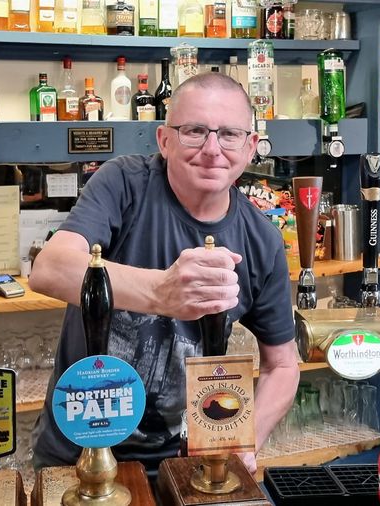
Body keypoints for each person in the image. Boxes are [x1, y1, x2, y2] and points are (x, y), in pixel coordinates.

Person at [29, 72, 299, 474]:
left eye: (228, 134)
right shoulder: (125, 183)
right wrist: (161, 293)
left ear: (250, 148)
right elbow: (49, 269)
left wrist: (246, 440)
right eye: (194, 131)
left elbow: (283, 365)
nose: (212, 149)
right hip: (76, 457)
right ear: (164, 140)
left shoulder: (261, 239)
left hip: (183, 464)